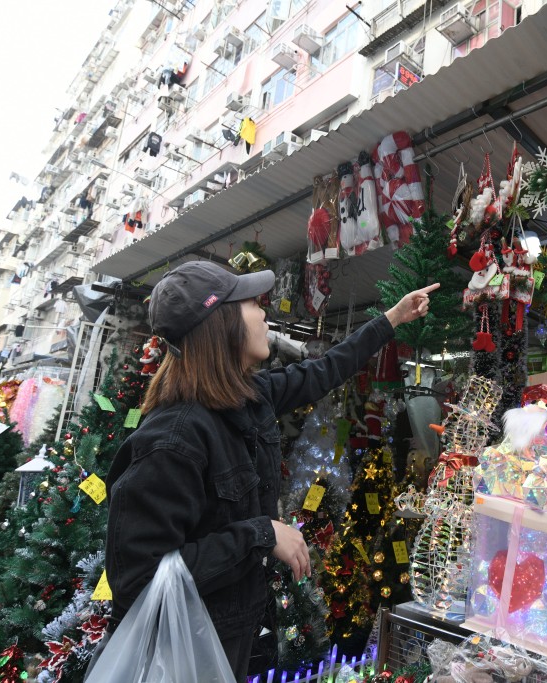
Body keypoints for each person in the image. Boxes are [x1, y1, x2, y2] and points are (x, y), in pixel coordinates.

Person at [100, 260, 437, 682]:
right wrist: (260, 534)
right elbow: (139, 579)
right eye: (250, 304)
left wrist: (391, 319)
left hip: (231, 639)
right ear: (220, 325)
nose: (264, 314)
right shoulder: (174, 439)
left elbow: (323, 371)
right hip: (184, 654)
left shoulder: (248, 396)